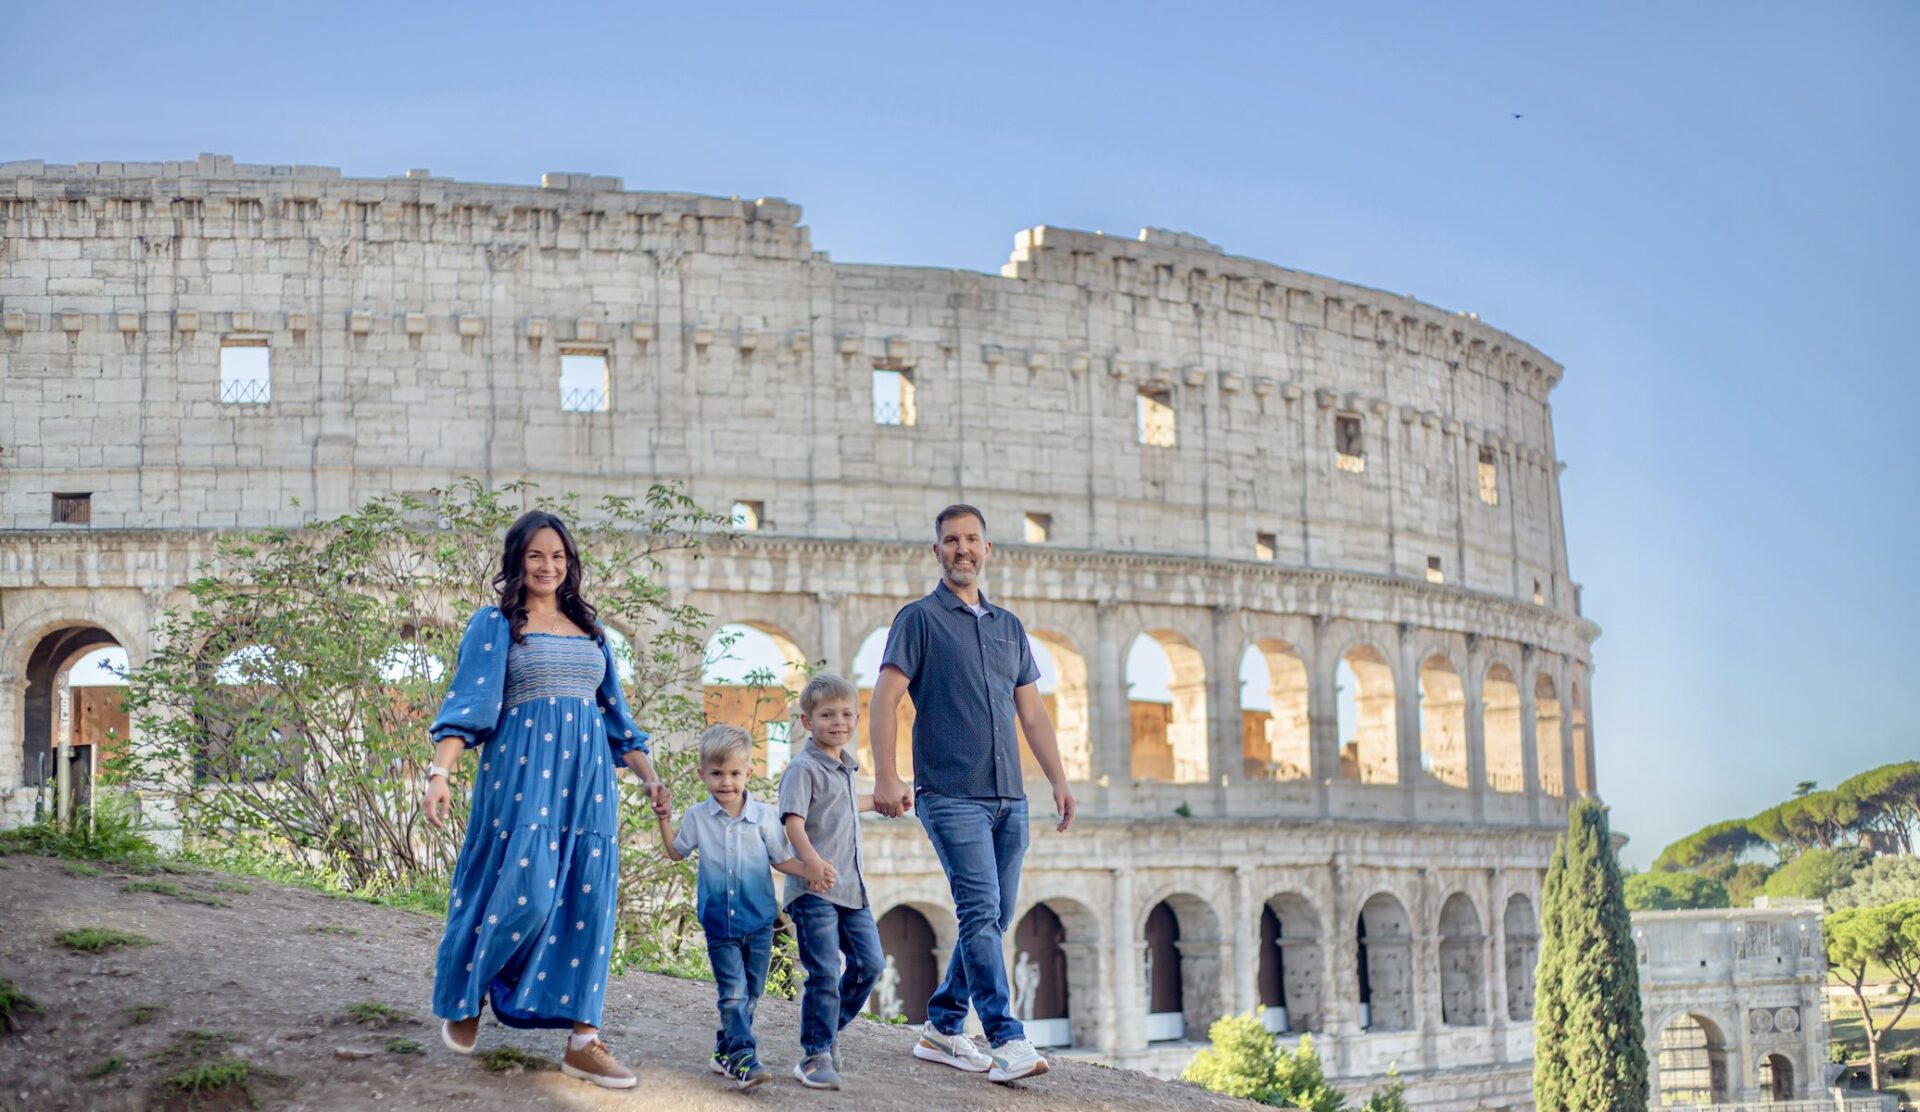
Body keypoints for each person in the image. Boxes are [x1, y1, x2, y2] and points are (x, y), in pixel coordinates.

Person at [420, 510, 671, 1090]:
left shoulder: (590, 628)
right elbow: (469, 703)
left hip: (588, 787)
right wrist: (440, 772)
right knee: (525, 895)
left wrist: (650, 778)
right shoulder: (495, 623)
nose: (547, 566)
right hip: (521, 779)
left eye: (557, 556)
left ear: (570, 563)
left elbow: (615, 717)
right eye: (536, 555)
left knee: (590, 903)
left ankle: (584, 1040)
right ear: (517, 560)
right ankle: (467, 993)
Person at [869, 503, 1076, 1084]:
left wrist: (1058, 779)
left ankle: (940, 1026)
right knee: (980, 910)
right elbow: (885, 700)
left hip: (1011, 798)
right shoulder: (918, 619)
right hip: (950, 794)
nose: (962, 549)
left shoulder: (1008, 626)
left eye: (971, 540)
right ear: (937, 552)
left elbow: (1031, 714)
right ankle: (1005, 1038)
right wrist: (886, 776)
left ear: (988, 550)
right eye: (950, 541)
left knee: (997, 915)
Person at [655, 724, 824, 1090]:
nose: (726, 782)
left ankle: (723, 1050)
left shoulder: (765, 817)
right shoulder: (698, 818)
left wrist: (811, 870)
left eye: (734, 773)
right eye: (716, 773)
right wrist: (663, 818)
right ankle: (744, 1058)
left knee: (751, 994)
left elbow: (781, 861)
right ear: (703, 774)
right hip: (719, 924)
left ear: (749, 771)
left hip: (760, 922)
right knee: (732, 994)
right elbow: (675, 852)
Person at [778, 673, 883, 1090]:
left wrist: (879, 801)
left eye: (845, 714)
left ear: (857, 717)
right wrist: (811, 862)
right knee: (823, 971)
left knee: (869, 964)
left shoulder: (846, 768)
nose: (837, 722)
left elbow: (844, 806)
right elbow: (793, 822)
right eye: (826, 715)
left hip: (852, 892)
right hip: (814, 891)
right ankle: (815, 1054)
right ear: (807, 721)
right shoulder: (802, 769)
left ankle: (828, 1030)